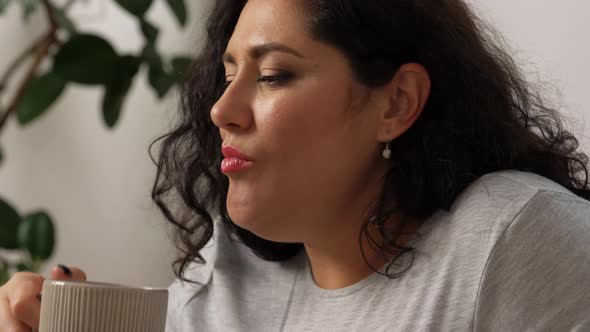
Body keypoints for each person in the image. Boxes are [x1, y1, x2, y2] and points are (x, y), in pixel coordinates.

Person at [2, 0, 590, 331]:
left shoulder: (511, 238)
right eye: (228, 75)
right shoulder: (226, 278)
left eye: (273, 75)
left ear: (397, 103)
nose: (221, 110)